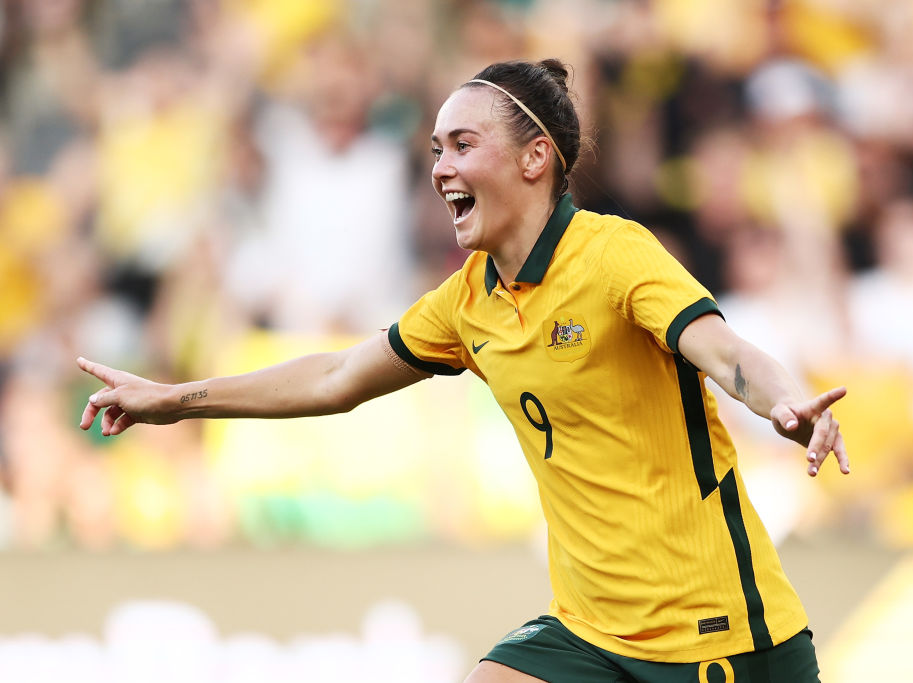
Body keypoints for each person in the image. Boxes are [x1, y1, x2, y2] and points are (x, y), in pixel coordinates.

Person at [78, 58, 849, 683]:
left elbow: (727, 352)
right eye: (436, 149)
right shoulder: (466, 303)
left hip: (720, 636)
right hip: (592, 629)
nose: (441, 167)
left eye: (462, 145)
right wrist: (171, 400)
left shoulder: (616, 254)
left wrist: (786, 403)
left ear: (535, 157)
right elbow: (333, 377)